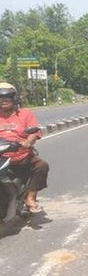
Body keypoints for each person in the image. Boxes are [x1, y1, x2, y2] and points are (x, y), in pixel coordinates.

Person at [0, 82, 49, 213]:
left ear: (14, 98)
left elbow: (35, 132)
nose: (4, 100)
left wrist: (28, 141)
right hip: (1, 156)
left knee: (41, 165)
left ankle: (30, 197)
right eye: (0, 97)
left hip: (22, 155)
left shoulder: (25, 114)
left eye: (7, 96)